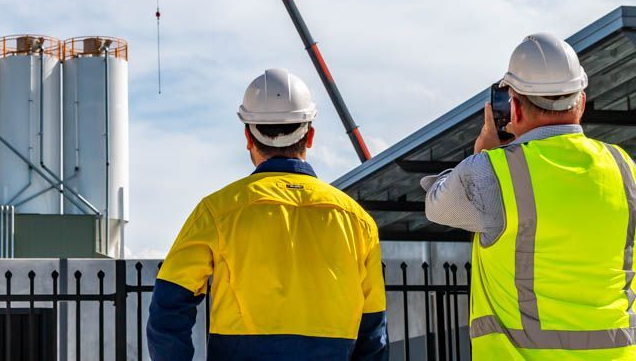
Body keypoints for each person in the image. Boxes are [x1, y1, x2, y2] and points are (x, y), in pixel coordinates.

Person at [147, 69, 388, 360]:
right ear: (310, 136)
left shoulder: (217, 211)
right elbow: (373, 333)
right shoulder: (358, 222)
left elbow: (167, 311)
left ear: (248, 136)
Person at [422, 33, 636, 359]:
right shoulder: (624, 168)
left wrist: (482, 153)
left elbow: (438, 206)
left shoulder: (491, 171)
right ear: (580, 100)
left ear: (515, 109)